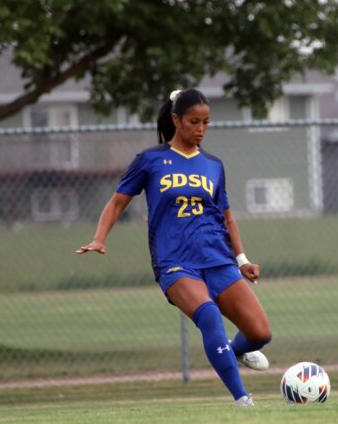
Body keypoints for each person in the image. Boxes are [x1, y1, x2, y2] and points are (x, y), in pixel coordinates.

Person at [77, 89, 272, 406]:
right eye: (194, 121)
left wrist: (242, 259)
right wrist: (100, 237)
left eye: (206, 122)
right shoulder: (151, 161)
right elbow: (116, 203)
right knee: (209, 316)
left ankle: (231, 352)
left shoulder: (213, 165)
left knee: (261, 334)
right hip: (175, 263)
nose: (201, 129)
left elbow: (227, 218)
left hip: (218, 259)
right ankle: (243, 400)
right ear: (176, 120)